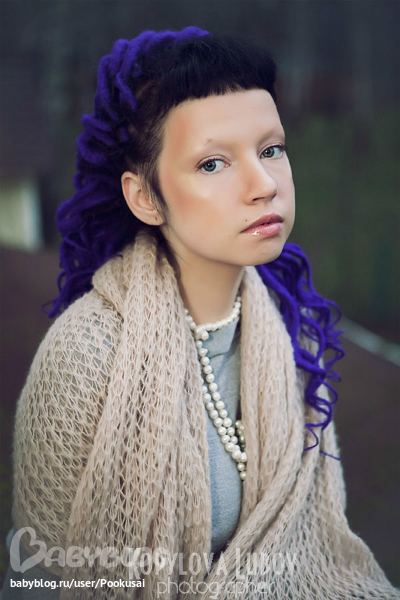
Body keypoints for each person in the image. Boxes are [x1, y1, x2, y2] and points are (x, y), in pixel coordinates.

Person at [2, 26, 398, 600]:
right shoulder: (85, 358)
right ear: (145, 198)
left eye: (271, 149)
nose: (263, 185)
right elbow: (40, 578)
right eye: (213, 163)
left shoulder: (293, 335)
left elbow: (317, 558)